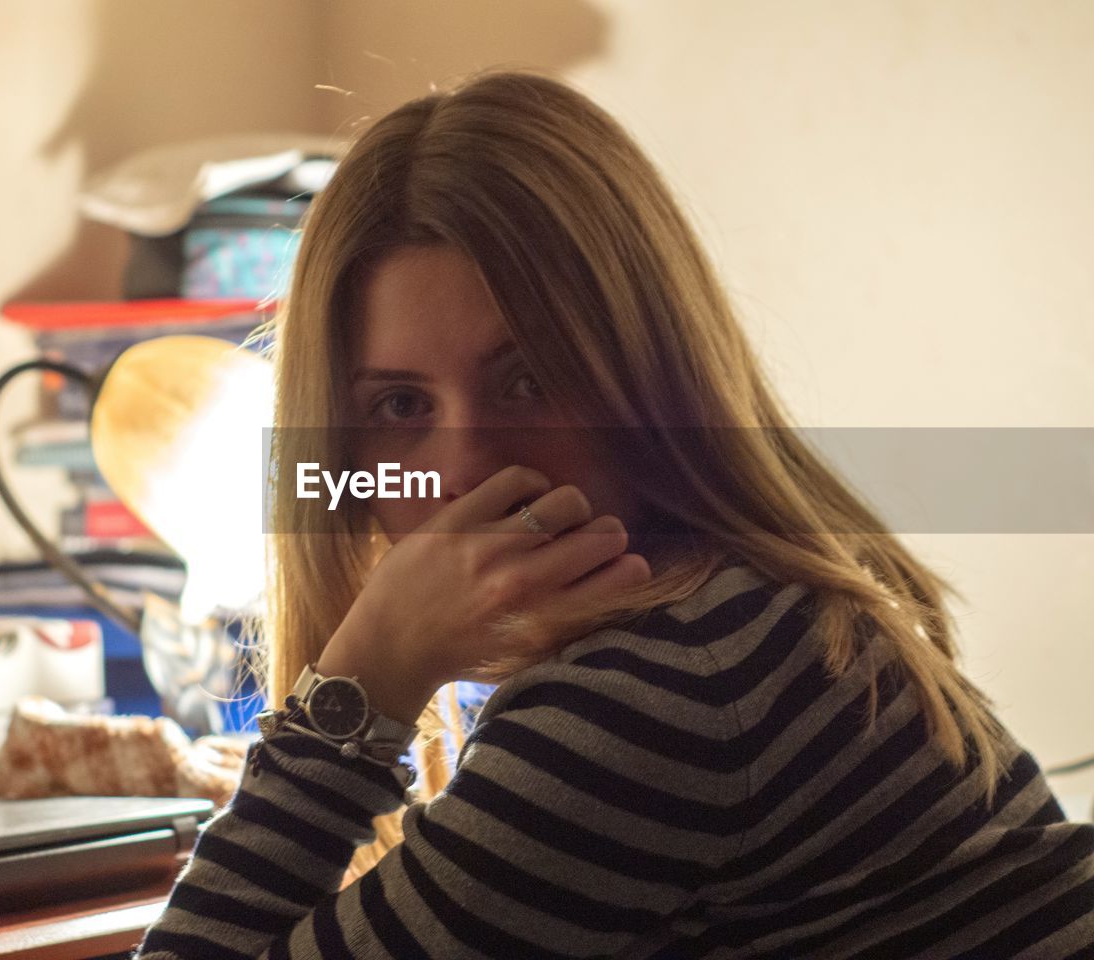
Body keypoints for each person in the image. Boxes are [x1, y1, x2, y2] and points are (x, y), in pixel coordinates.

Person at [135, 68, 1094, 959]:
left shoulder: (660, 698)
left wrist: (361, 674)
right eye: (399, 406)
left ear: (648, 375)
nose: (465, 466)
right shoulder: (752, 608)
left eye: (530, 379)